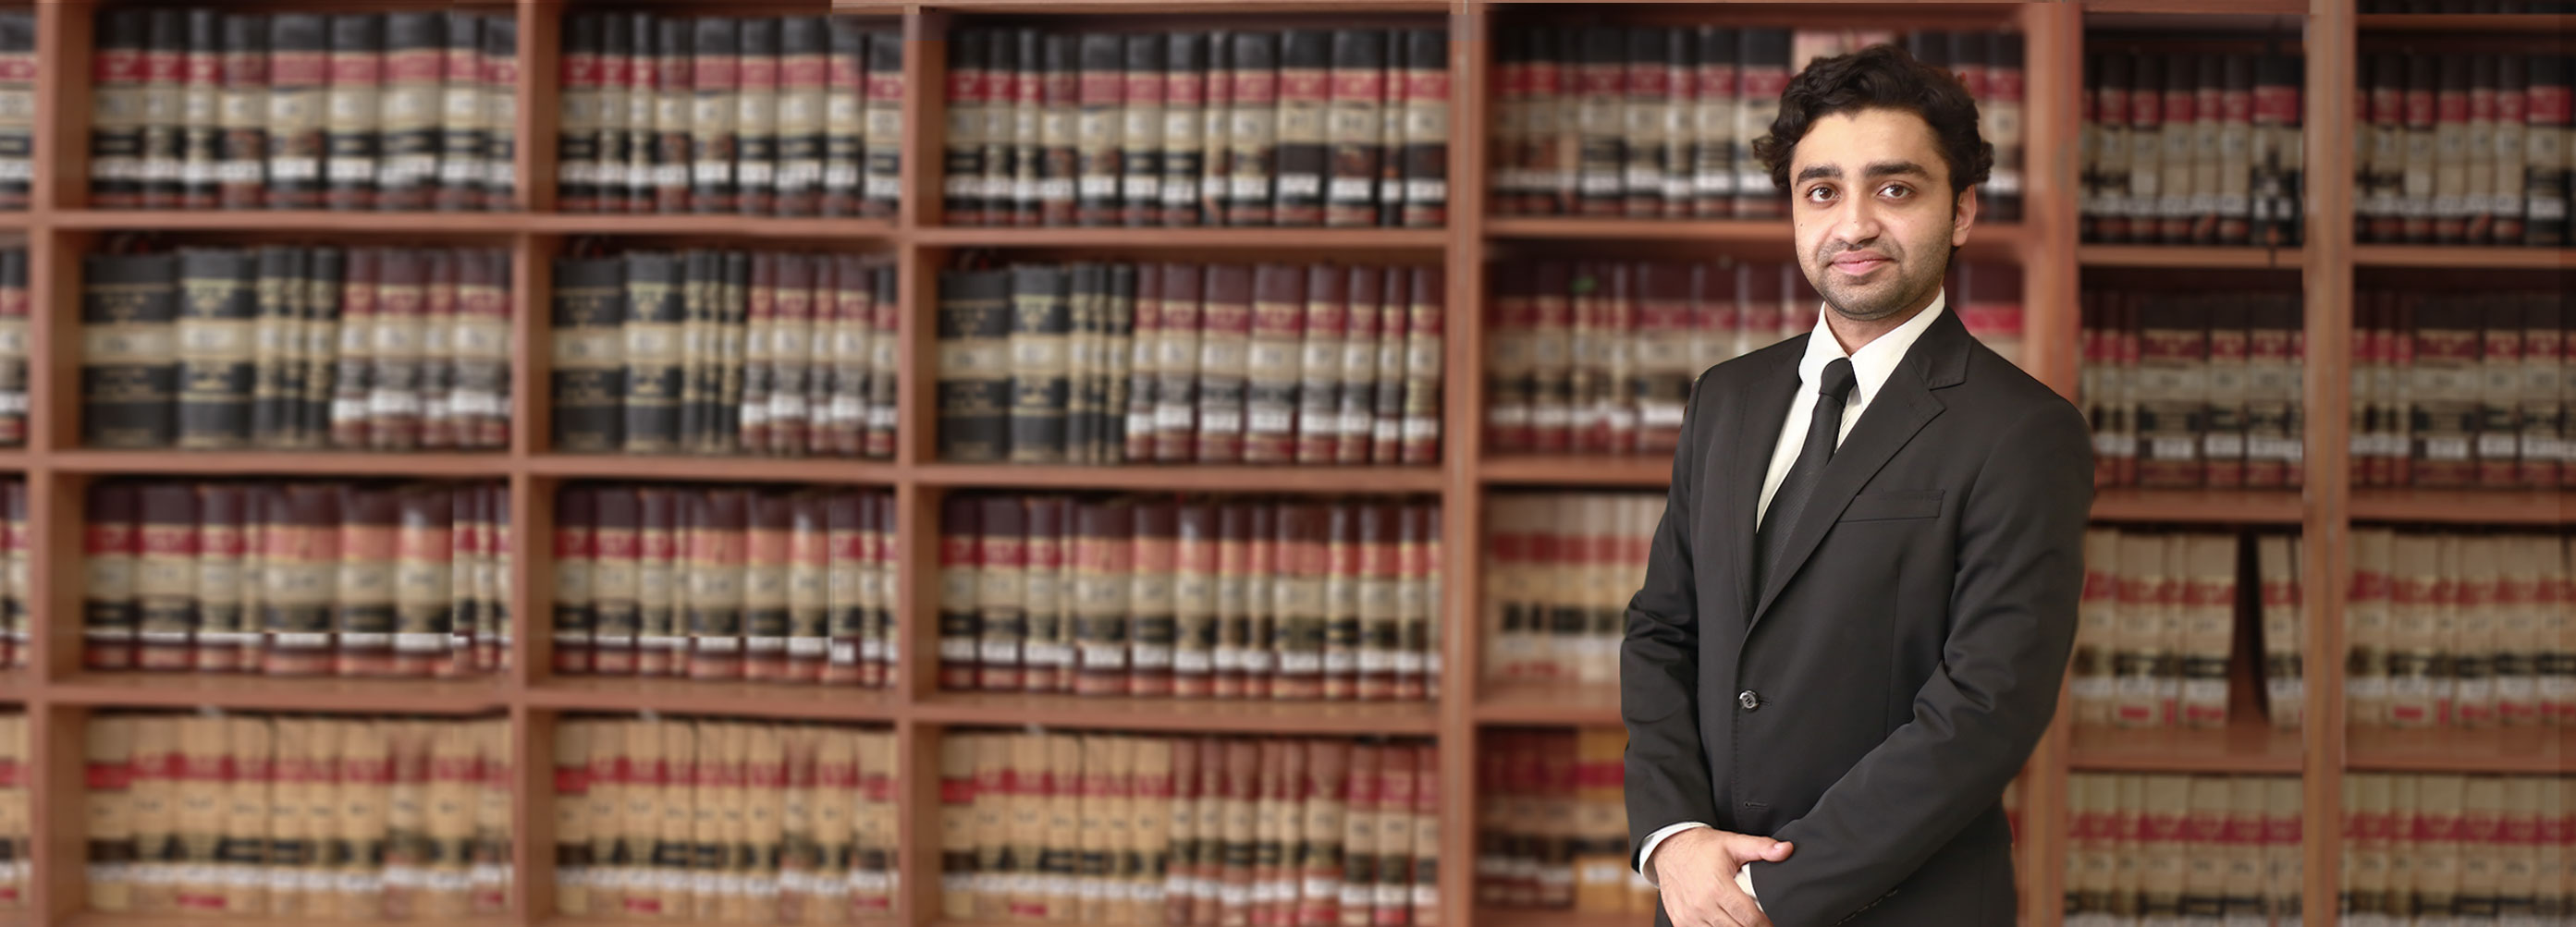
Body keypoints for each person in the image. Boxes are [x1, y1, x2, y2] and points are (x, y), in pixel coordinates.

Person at [1620, 43, 2092, 927]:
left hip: (1899, 907)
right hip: (1697, 898)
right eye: (1822, 191)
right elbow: (1662, 630)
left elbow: (1984, 710)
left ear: (1961, 210)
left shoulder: (2025, 432)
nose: (1854, 225)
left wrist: (1761, 892)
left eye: (1895, 189)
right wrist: (1676, 837)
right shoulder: (1726, 397)